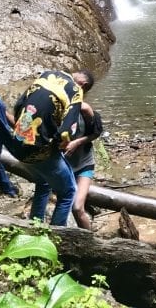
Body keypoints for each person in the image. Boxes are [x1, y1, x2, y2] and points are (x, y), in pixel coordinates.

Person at [10, 68, 84, 226]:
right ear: (82, 84)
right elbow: (67, 132)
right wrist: (60, 145)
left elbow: (18, 106)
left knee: (43, 183)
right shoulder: (75, 90)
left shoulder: (45, 75)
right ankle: (57, 237)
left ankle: (35, 227)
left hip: (16, 144)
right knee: (68, 192)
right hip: (39, 151)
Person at [63, 69, 102, 229]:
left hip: (84, 164)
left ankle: (93, 244)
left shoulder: (85, 109)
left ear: (82, 85)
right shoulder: (61, 103)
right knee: (63, 205)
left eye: (73, 80)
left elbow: (96, 132)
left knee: (77, 207)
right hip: (63, 164)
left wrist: (77, 142)